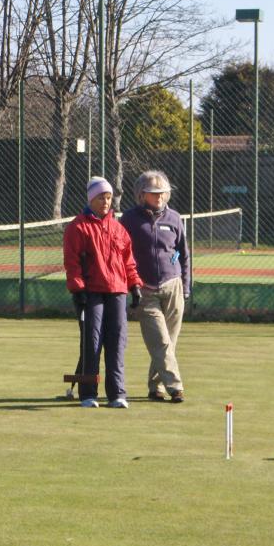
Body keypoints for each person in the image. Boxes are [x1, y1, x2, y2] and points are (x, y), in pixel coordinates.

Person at [63, 177, 143, 408]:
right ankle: (88, 394)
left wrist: (134, 285)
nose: (106, 202)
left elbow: (128, 261)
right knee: (92, 342)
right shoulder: (78, 227)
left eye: (108, 198)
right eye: (101, 198)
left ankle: (117, 393)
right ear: (91, 199)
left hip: (117, 291)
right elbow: (72, 261)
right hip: (91, 292)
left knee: (117, 341)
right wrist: (77, 289)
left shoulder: (118, 229)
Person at [120, 170, 189, 404]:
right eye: (153, 192)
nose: (159, 196)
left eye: (162, 192)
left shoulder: (175, 219)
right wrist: (130, 287)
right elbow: (121, 254)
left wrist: (185, 286)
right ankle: (175, 386)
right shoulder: (128, 219)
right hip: (144, 290)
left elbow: (183, 254)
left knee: (169, 342)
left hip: (173, 286)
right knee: (160, 341)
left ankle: (155, 387)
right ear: (141, 194)